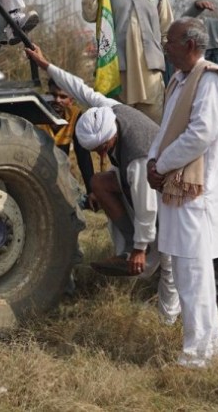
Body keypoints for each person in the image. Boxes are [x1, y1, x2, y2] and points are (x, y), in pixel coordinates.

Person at [147, 18, 218, 368]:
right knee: (189, 273)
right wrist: (153, 161)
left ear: (188, 44)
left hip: (196, 193)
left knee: (194, 275)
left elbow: (201, 134)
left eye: (169, 41)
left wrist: (163, 163)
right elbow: (167, 128)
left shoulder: (209, 78)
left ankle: (197, 353)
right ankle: (209, 346)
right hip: (177, 188)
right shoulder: (178, 79)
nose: (165, 47)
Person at [24, 43, 164, 274]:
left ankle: (142, 253)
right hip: (138, 185)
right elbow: (80, 89)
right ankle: (129, 246)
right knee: (99, 182)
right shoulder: (110, 110)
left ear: (112, 135)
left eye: (103, 148)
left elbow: (147, 206)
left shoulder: (137, 155)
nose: (101, 154)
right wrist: (45, 65)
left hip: (164, 191)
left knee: (167, 261)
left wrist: (141, 247)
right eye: (96, 150)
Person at [82, 0, 173, 123]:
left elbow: (167, 30)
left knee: (154, 126)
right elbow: (89, 15)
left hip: (150, 73)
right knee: (122, 125)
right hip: (118, 71)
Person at [39, 79, 95, 196]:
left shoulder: (75, 115)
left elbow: (83, 156)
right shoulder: (35, 112)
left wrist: (91, 191)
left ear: (71, 100)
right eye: (53, 95)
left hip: (60, 173)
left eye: (63, 97)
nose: (57, 100)